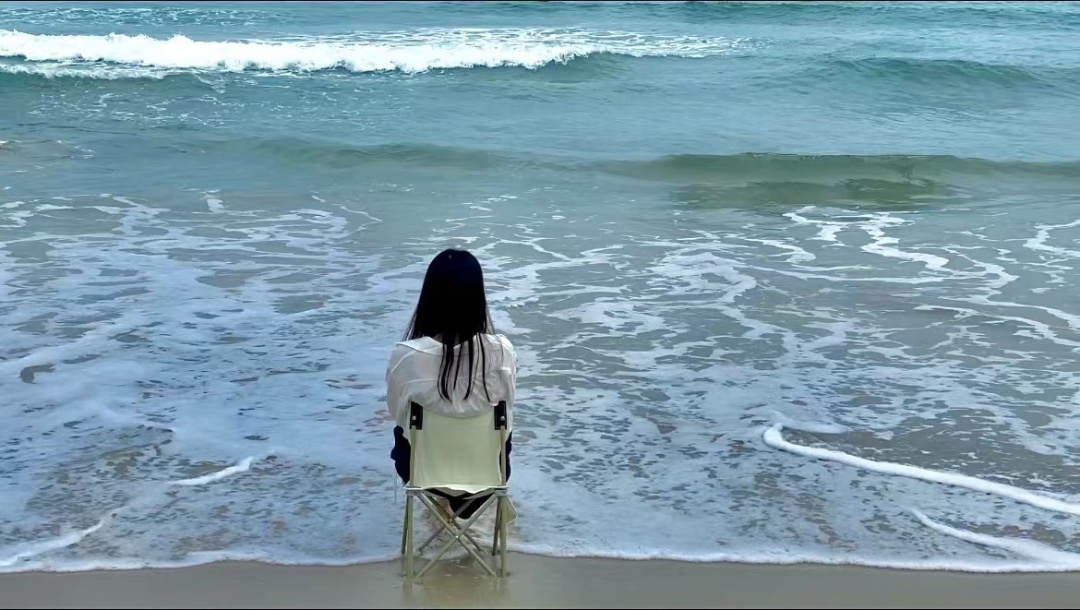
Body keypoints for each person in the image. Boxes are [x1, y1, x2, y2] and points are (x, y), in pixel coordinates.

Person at [385, 248, 516, 519]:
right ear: (478, 299)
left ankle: (441, 506)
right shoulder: (502, 352)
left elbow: (397, 414)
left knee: (407, 426)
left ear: (429, 298)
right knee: (499, 422)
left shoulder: (406, 356)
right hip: (490, 472)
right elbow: (508, 407)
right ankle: (467, 508)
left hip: (422, 473)